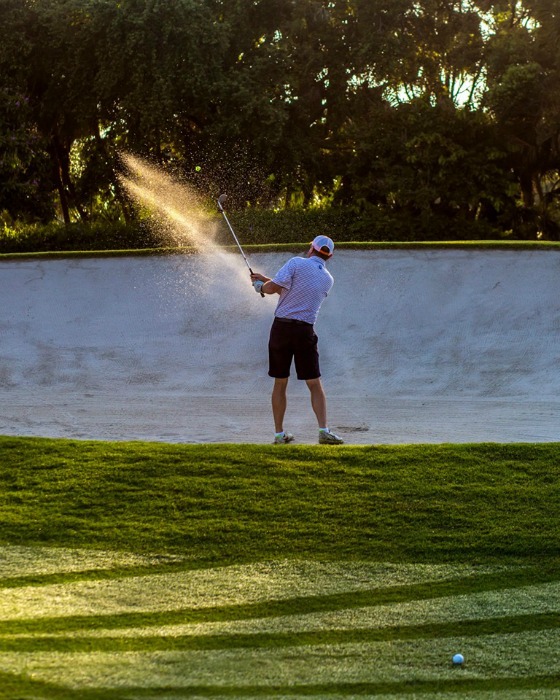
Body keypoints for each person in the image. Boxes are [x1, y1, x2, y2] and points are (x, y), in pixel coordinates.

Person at [250, 235, 344, 445]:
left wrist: (260, 286)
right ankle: (323, 431)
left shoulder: (296, 263)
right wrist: (266, 279)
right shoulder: (328, 279)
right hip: (304, 331)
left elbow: (273, 289)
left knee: (280, 382)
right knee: (314, 383)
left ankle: (279, 435)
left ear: (311, 248)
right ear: (329, 256)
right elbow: (297, 291)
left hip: (281, 329)